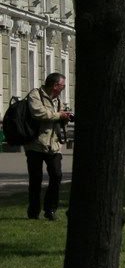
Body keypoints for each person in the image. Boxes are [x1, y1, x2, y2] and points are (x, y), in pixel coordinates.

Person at [25, 72, 73, 220]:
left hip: (54, 145)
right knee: (35, 179)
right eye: (63, 85)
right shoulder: (35, 95)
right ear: (55, 85)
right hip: (35, 145)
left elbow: (55, 118)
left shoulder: (57, 100)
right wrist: (59, 115)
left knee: (56, 176)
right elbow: (39, 113)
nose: (64, 88)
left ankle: (50, 210)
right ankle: (33, 211)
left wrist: (65, 118)